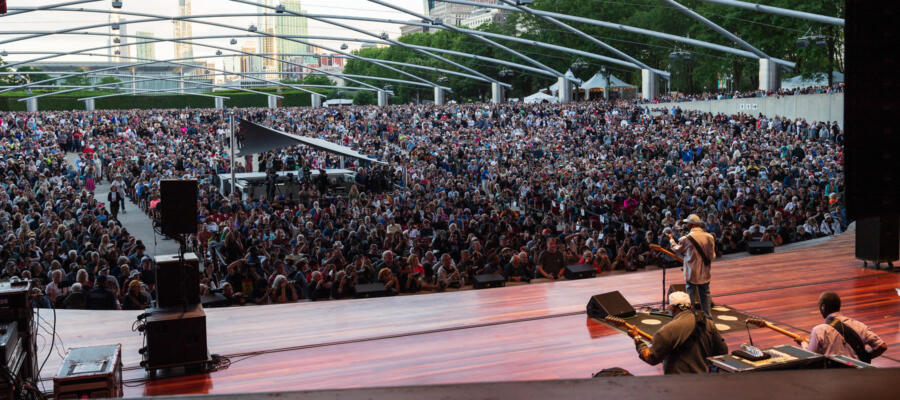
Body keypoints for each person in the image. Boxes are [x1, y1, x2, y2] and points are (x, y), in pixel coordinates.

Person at [628, 291, 728, 374]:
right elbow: (722, 351)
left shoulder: (668, 330)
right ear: (691, 307)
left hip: (677, 382)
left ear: (671, 308)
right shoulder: (708, 323)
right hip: (702, 379)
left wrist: (637, 339)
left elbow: (650, 357)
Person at [806, 292, 887, 362]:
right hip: (857, 373)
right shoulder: (859, 326)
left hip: (833, 373)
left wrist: (804, 344)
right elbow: (882, 346)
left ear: (823, 307)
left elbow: (811, 357)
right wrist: (866, 357)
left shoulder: (819, 330)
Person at [669, 214, 716, 316]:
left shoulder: (685, 239)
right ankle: (708, 317)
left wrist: (671, 240)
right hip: (705, 272)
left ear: (691, 225)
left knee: (690, 296)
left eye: (687, 223)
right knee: (705, 294)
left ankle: (691, 317)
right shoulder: (709, 237)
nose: (686, 225)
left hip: (691, 272)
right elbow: (712, 256)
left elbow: (676, 249)